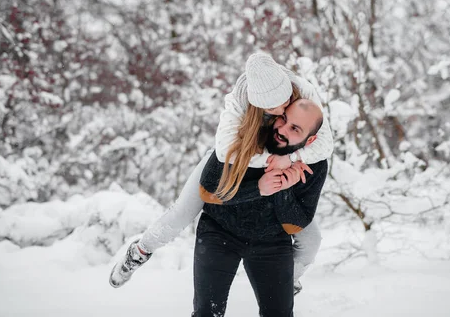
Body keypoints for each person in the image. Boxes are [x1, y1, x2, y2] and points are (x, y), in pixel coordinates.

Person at [109, 53, 333, 294]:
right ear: (258, 103)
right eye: (273, 108)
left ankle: (290, 278)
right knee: (180, 214)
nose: (281, 111)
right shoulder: (238, 103)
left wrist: (289, 158)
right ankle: (139, 252)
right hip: (229, 161)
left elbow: (326, 142)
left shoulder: (303, 90)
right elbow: (226, 149)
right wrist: (271, 161)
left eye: (286, 101)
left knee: (311, 241)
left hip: (281, 161)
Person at [194, 98, 329, 317]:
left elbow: (296, 225)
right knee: (207, 313)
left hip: (271, 244)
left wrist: (282, 188)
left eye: (294, 128)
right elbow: (208, 189)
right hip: (219, 232)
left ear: (310, 139)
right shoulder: (248, 133)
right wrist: (258, 188)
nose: (282, 130)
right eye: (283, 119)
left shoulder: (314, 165)